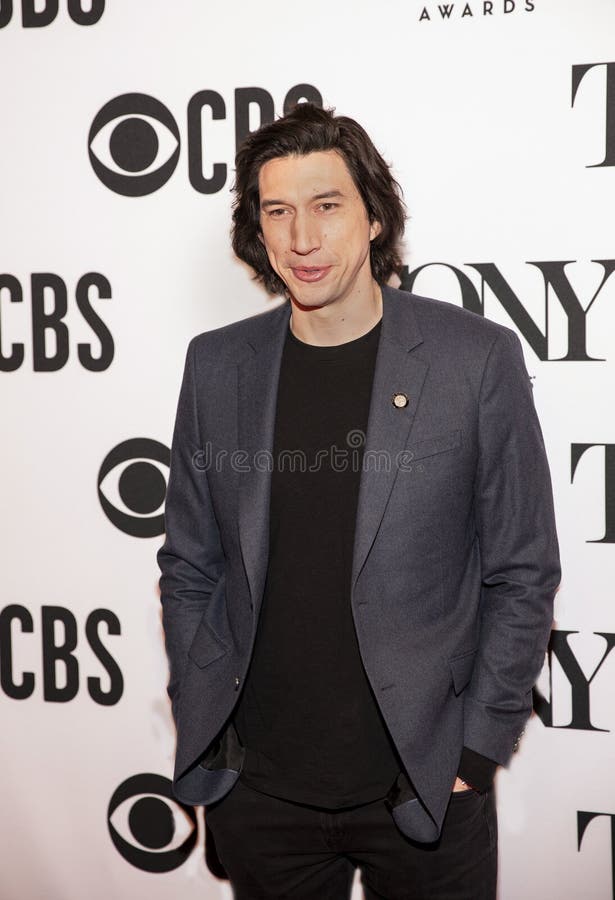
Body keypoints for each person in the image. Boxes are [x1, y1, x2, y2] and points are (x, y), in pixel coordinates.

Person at [157, 102, 561, 899]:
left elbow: (520, 569)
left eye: (326, 206)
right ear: (257, 230)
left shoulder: (471, 360)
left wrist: (474, 752)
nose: (302, 239)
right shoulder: (217, 365)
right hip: (259, 789)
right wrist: (204, 714)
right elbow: (189, 563)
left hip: (422, 786)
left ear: (374, 217)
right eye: (278, 212)